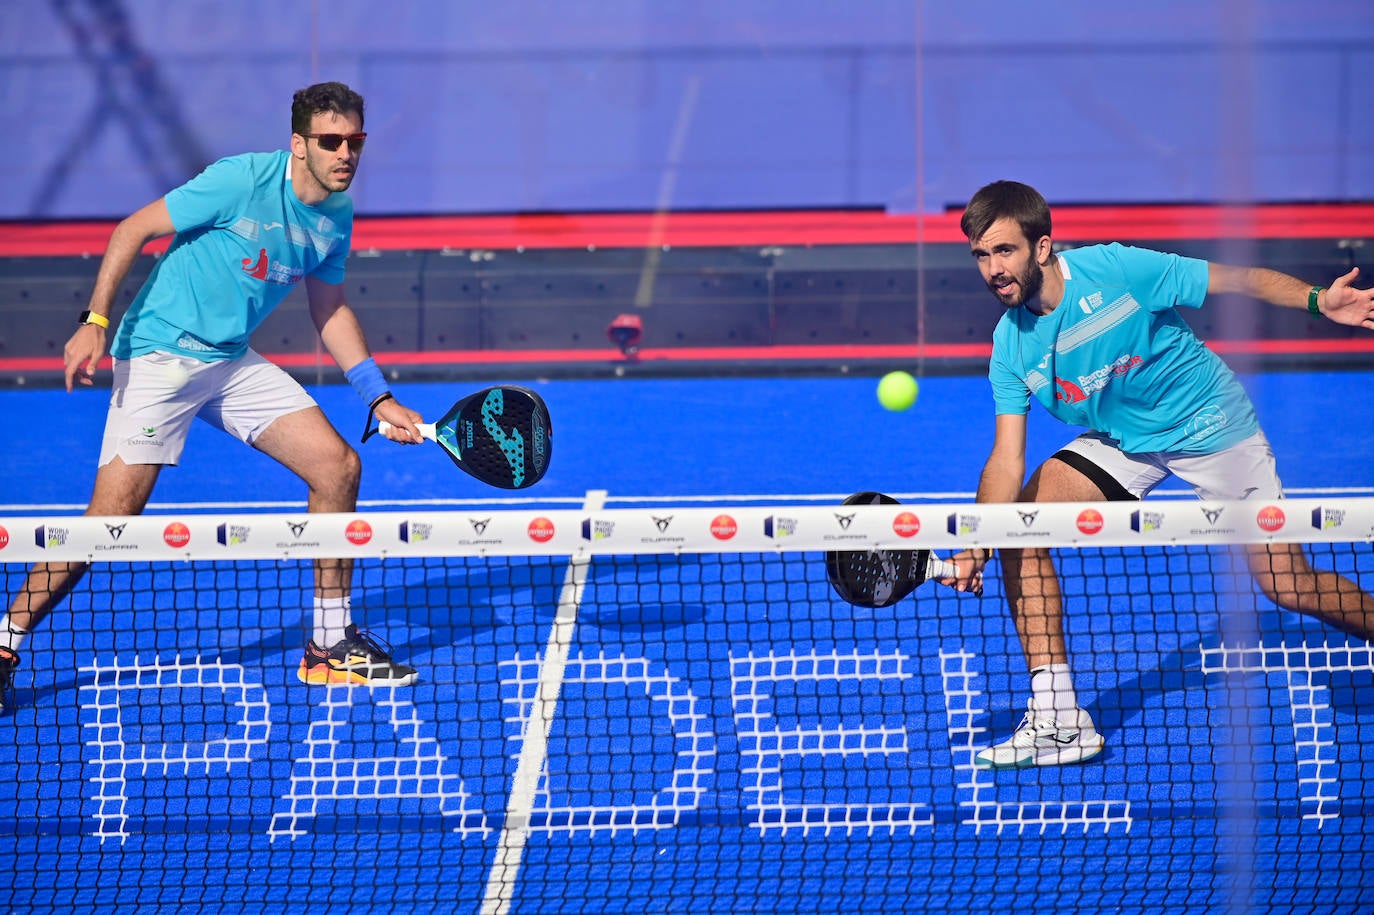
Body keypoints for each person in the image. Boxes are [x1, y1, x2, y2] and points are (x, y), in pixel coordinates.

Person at [0, 81, 427, 709]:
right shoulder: (240, 181)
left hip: (228, 361)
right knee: (111, 520)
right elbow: (132, 229)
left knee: (337, 466)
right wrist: (95, 321)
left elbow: (329, 309)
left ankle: (329, 646)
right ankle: (3, 640)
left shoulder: (336, 216)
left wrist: (377, 397)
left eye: (355, 140)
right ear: (299, 144)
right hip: (161, 355)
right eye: (331, 141)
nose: (345, 153)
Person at [945, 179, 1374, 769]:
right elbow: (1005, 459)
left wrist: (1317, 300)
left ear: (1042, 248)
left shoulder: (1118, 270)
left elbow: (1238, 280)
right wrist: (977, 541)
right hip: (1127, 442)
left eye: (1004, 251)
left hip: (1210, 427)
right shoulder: (1011, 344)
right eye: (981, 256)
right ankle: (1060, 718)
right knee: (1022, 525)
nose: (993, 268)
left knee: (1287, 586)